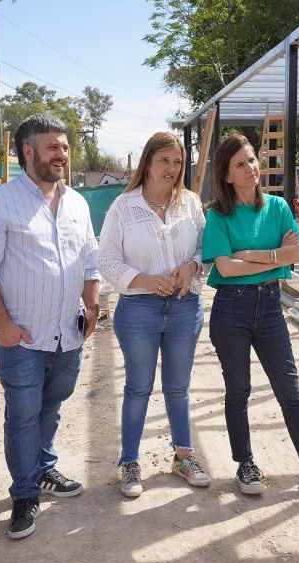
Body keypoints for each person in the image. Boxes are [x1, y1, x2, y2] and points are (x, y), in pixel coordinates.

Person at [0, 113, 100, 540]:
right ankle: (24, 494)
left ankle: (44, 470)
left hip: (69, 333)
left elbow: (90, 258)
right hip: (21, 338)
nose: (62, 154)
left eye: (64, 146)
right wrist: (2, 324)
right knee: (23, 416)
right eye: (52, 147)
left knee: (51, 407)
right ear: (28, 151)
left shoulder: (78, 203)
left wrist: (92, 304)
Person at [202, 134, 299, 498]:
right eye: (240, 164)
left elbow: (294, 257)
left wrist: (255, 255)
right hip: (232, 309)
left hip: (271, 306)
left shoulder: (278, 208)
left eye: (253, 160)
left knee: (290, 389)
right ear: (226, 175)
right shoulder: (218, 215)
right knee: (238, 389)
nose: (251, 168)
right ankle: (246, 464)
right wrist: (273, 255)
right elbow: (225, 267)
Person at [98, 131, 210, 498]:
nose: (172, 168)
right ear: (147, 161)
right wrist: (143, 279)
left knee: (178, 387)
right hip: (138, 310)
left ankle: (182, 456)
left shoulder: (190, 204)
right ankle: (129, 462)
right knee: (138, 387)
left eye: (178, 162)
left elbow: (208, 248)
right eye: (164, 160)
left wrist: (191, 267)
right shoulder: (124, 207)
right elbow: (107, 260)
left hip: (183, 308)